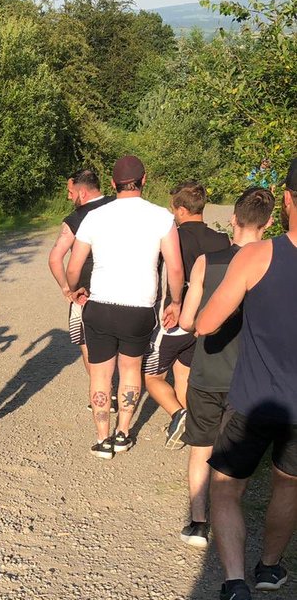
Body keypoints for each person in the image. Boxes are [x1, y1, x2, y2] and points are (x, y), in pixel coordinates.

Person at [196, 156, 297, 600]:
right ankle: (270, 568)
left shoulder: (257, 256)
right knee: (288, 484)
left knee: (225, 489)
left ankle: (235, 584)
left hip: (253, 400)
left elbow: (207, 323)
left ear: (288, 200)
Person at [66, 155, 185, 459]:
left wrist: (75, 289)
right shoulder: (161, 217)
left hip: (100, 304)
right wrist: (175, 302)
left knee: (100, 374)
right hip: (139, 308)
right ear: (144, 180)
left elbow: (73, 266)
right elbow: (175, 268)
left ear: (112, 183)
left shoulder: (95, 217)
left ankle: (102, 439)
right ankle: (122, 433)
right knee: (131, 369)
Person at [177, 186, 275, 549]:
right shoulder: (271, 265)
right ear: (268, 224)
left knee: (201, 446)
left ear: (233, 218)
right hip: (248, 377)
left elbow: (187, 321)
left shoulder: (207, 261)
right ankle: (228, 514)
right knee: (233, 453)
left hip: (207, 371)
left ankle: (198, 522)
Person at [143, 180, 229, 449]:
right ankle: (190, 428)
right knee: (183, 376)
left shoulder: (173, 237)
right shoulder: (221, 239)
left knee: (151, 377)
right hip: (205, 319)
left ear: (181, 210)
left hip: (174, 317)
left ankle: (178, 413)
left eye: (173, 208)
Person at [47, 168, 114, 394]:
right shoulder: (118, 205)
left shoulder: (75, 219)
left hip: (86, 291)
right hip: (123, 287)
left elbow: (55, 258)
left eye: (70, 192)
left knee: (88, 344)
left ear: (82, 193)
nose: (68, 197)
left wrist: (67, 288)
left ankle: (104, 392)